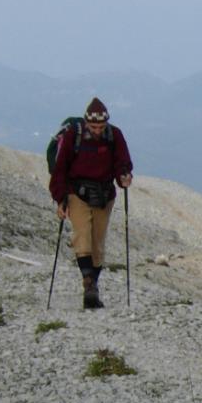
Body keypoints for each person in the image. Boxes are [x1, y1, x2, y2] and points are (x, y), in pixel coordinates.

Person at [49, 97, 133, 309]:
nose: (97, 130)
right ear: (87, 122)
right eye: (94, 126)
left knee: (98, 242)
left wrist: (124, 175)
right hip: (77, 193)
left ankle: (92, 285)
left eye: (100, 126)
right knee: (82, 236)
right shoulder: (73, 136)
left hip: (104, 195)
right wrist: (61, 198)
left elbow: (122, 162)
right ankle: (89, 284)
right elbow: (60, 169)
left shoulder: (114, 136)